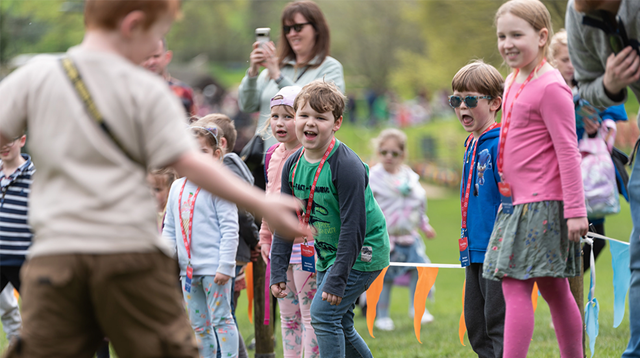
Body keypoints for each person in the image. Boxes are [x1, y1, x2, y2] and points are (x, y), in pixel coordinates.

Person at [0, 1, 310, 356]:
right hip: (129, 257)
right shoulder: (146, 91)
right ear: (133, 26)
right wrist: (262, 202)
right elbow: (192, 164)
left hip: (55, 258)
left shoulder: (36, 76)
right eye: (156, 34)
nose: (154, 49)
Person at [482, 1, 589, 357]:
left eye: (517, 35)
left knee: (515, 286)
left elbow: (568, 152)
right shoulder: (512, 79)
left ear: (542, 37)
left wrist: (575, 210)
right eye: (502, 36)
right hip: (515, 203)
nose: (507, 43)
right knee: (554, 289)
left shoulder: (551, 86)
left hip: (543, 204)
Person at [270, 80, 390, 358]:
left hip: (362, 252)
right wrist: (278, 268)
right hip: (329, 253)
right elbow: (287, 219)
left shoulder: (346, 165)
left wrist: (337, 279)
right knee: (341, 323)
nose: (310, 123)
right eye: (304, 115)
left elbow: (354, 227)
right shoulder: (293, 163)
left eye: (320, 117)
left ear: (336, 123)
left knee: (323, 316)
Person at [566, 1, 640, 355]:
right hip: (580, 187)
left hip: (598, 182)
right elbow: (590, 87)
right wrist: (608, 84)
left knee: (599, 244)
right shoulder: (577, 13)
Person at [549, 28, 628, 271]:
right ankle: (563, 294)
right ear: (553, 61)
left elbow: (613, 109)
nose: (572, 65)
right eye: (565, 59)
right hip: (560, 174)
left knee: (595, 239)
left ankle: (570, 296)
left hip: (591, 179)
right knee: (566, 241)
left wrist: (602, 126)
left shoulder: (593, 86)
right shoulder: (550, 88)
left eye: (576, 58)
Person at [163, 120, 239, 358]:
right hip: (188, 272)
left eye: (202, 152)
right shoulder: (176, 187)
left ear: (216, 155)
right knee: (198, 326)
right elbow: (169, 228)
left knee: (221, 320)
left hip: (215, 270)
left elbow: (230, 228)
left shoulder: (219, 186)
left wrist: (225, 265)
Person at [449, 60, 506, 358]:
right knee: (475, 323)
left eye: (470, 100)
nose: (462, 107)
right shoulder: (471, 144)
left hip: (498, 250)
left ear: (495, 102)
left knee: (498, 323)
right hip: (473, 248)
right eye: (456, 100)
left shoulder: (500, 145)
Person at [238, 0, 345, 155]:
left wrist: (278, 76)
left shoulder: (330, 68)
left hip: (303, 160)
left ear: (316, 28)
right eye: (287, 29)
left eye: (298, 27)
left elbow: (325, 109)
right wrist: (253, 71)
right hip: (266, 158)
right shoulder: (275, 66)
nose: (292, 34)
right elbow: (247, 106)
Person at [259, 86, 319, 358]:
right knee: (287, 316)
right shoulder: (271, 155)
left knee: (309, 316)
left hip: (307, 247)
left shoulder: (312, 156)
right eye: (275, 116)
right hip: (278, 250)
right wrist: (265, 237)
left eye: (288, 116)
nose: (280, 123)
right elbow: (268, 198)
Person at [369, 128, 436, 332]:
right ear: (378, 152)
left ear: (403, 154)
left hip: (409, 237)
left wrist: (424, 225)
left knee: (420, 269)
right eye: (384, 152)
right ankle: (382, 316)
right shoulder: (373, 178)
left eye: (394, 153)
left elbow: (418, 204)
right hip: (386, 239)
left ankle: (418, 309)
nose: (389, 156)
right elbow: (366, 207)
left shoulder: (410, 178)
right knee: (384, 278)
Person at [210, 113, 258, 358]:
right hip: (219, 253)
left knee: (224, 313)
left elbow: (241, 213)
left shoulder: (228, 171)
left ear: (222, 144)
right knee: (220, 312)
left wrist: (254, 241)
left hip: (230, 252)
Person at [0, 133, 35, 294]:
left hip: (22, 260)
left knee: (38, 310)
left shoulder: (35, 177)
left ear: (22, 140)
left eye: (9, 140)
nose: (4, 145)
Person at [142, 38, 197, 118]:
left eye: (156, 56)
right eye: (146, 57)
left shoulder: (184, 92)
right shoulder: (132, 91)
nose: (151, 62)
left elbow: (194, 126)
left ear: (167, 57)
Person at [147, 167, 177, 231]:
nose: (151, 193)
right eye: (147, 187)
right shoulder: (144, 209)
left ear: (170, 191)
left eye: (157, 189)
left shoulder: (171, 211)